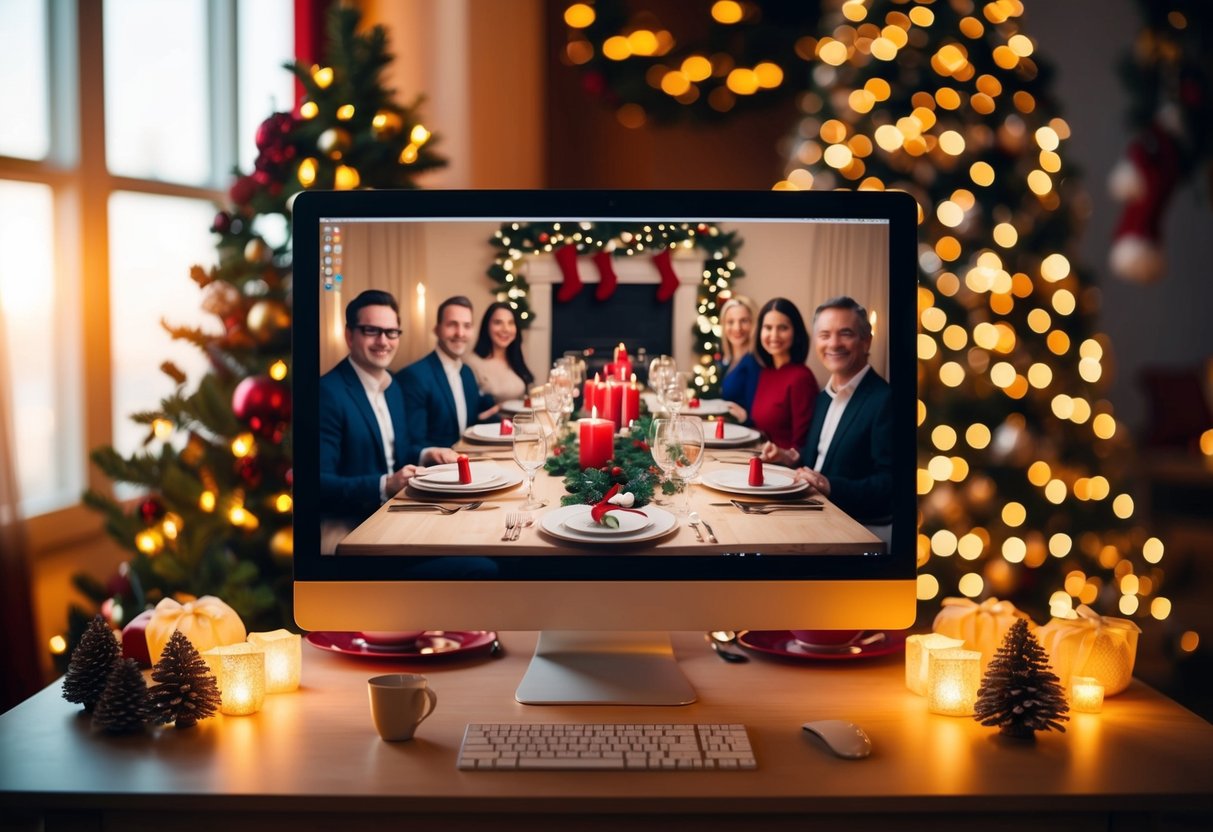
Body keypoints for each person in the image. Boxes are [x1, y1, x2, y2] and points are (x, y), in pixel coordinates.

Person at [318, 290, 457, 544]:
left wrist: (428, 454)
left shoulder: (393, 386)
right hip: (357, 524)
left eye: (391, 332)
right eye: (372, 330)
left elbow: (396, 451)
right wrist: (384, 485)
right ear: (350, 335)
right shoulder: (327, 393)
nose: (384, 341)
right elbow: (319, 483)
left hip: (399, 511)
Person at [762, 296, 892, 530]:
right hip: (810, 513)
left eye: (846, 333)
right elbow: (818, 461)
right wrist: (788, 457)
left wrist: (829, 485)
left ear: (866, 341)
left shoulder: (885, 400)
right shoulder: (823, 398)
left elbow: (890, 485)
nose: (833, 344)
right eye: (824, 335)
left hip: (854, 526)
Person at [398, 295, 497, 448]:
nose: (460, 333)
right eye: (452, 325)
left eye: (467, 326)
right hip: (435, 469)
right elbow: (414, 444)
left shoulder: (467, 373)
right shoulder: (414, 376)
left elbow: (477, 420)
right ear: (437, 329)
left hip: (470, 461)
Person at [747, 297, 819, 450]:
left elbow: (803, 446)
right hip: (761, 458)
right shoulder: (767, 372)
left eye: (783, 328)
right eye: (768, 327)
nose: (774, 335)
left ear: (795, 332)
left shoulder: (801, 378)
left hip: (784, 468)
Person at [464, 301, 534, 406]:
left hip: (519, 421)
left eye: (510, 323)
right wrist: (499, 409)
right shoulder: (472, 363)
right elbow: (469, 411)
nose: (506, 329)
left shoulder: (515, 359)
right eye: (498, 322)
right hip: (492, 422)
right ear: (486, 326)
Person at [718, 295, 761, 422]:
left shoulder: (754, 363)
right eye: (730, 322)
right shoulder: (728, 360)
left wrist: (745, 418)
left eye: (744, 321)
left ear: (753, 323)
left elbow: (756, 415)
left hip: (745, 435)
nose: (737, 328)